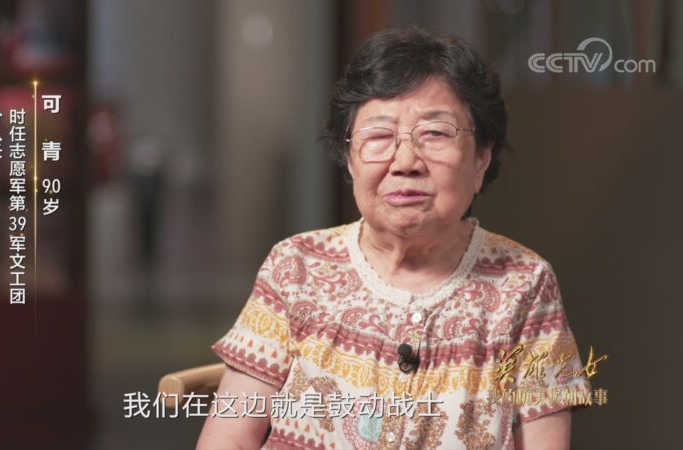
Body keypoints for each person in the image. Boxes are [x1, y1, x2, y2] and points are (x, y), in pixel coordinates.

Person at [198, 26, 591, 450]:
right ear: (349, 159)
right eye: (378, 136)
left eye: (435, 133)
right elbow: (229, 440)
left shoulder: (524, 284)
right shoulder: (296, 265)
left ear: (481, 158)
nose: (405, 162)